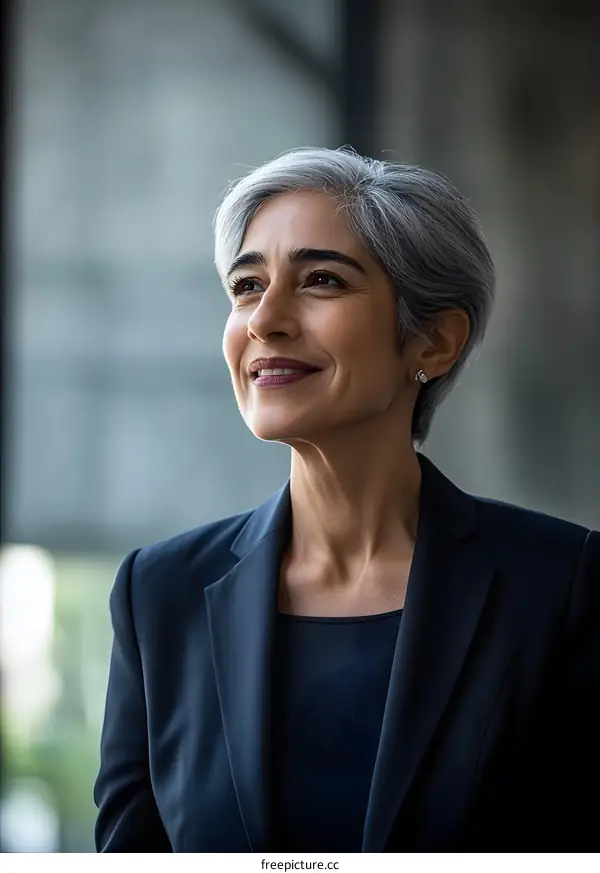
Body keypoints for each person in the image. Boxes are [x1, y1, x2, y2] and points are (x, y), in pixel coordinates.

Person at [94, 147, 600, 852]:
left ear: (434, 340)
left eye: (321, 280)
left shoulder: (560, 584)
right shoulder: (158, 594)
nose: (265, 319)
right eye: (246, 286)